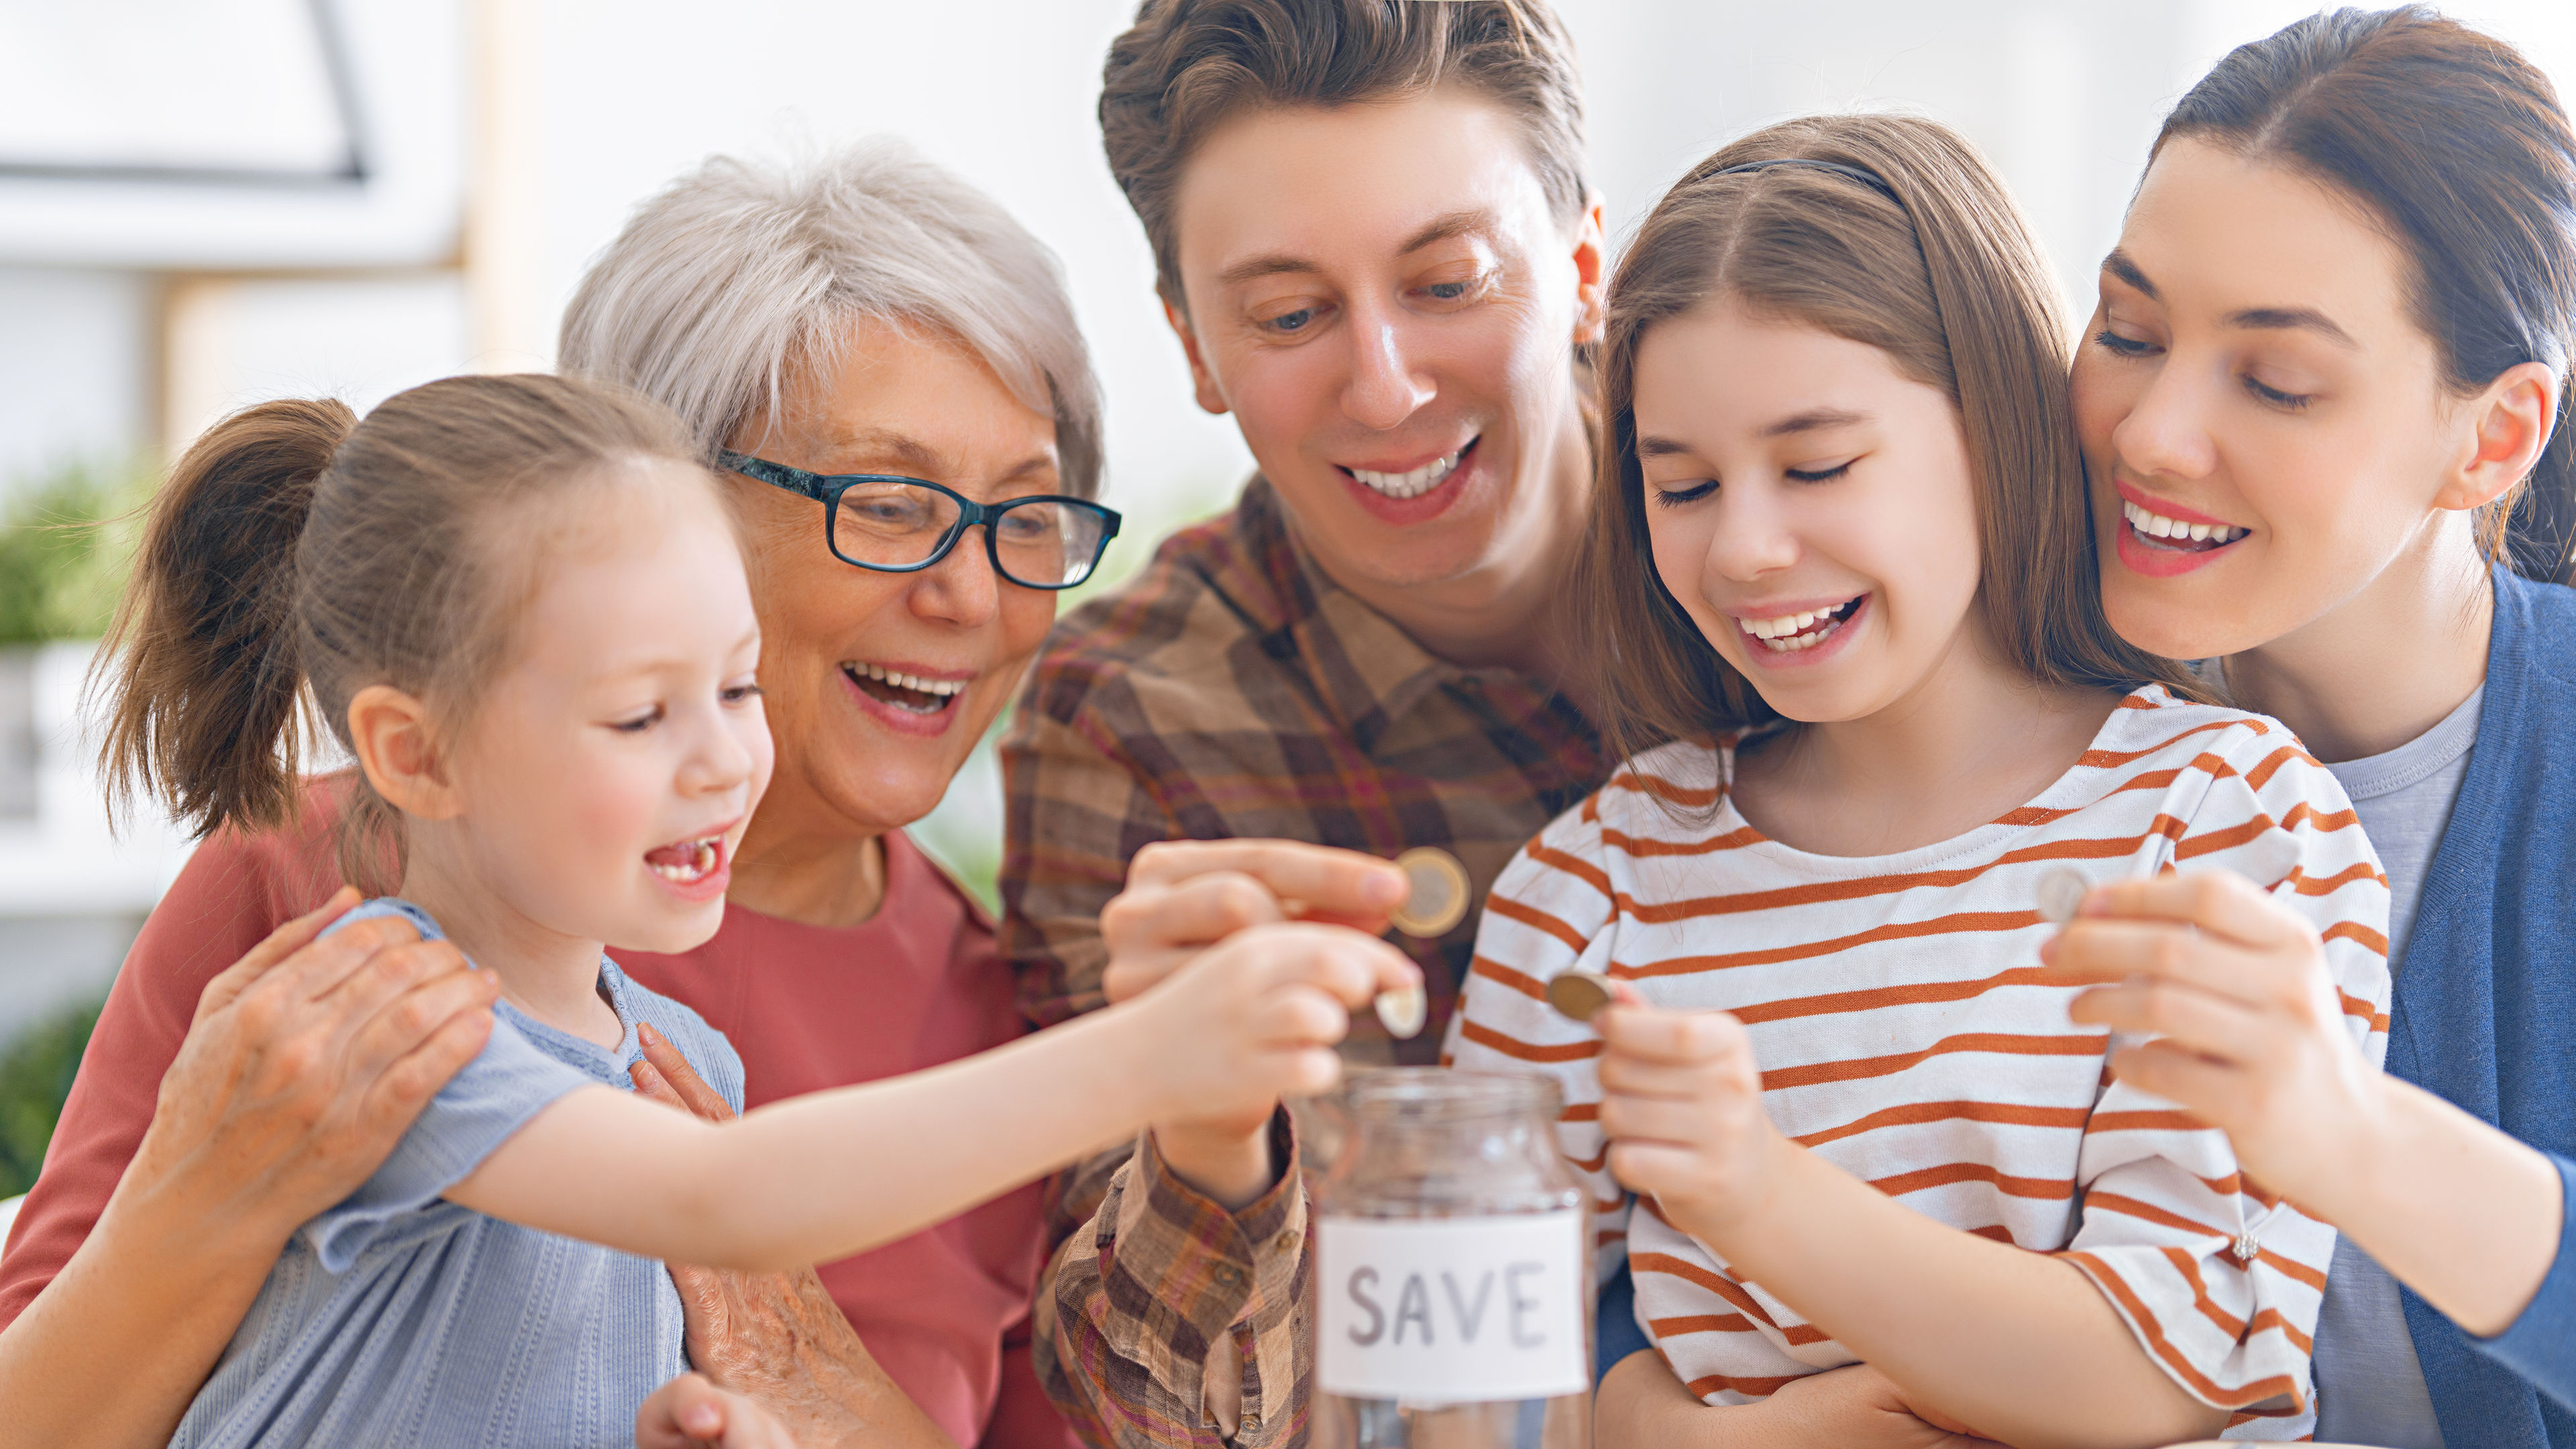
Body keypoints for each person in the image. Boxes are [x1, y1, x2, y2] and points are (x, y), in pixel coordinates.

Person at [0, 142, 1296, 1449]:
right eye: (891, 504)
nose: (969, 592)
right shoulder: (348, 906)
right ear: (647, 496)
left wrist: (815, 1410)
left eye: (1025, 515)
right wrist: (188, 1213)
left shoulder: (981, 1014)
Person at [1446, 113, 2390, 1446]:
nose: (1749, 550)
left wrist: (1757, 1193)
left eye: (1820, 464)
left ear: (1995, 425)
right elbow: (1461, 1388)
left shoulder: (2225, 828)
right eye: (1687, 485)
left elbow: (2173, 1372)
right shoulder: (1594, 891)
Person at [1002, 3, 1622, 1442]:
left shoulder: (1821, 536)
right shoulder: (1139, 724)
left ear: (1585, 266)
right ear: (1196, 349)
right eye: (1289, 316)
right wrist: (1200, 1132)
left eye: (1450, 282)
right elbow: (1145, 1417)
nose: (1387, 386)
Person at [2036, 8, 2576, 1446]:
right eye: (2129, 330)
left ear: (2496, 435)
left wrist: (2345, 1130)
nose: (2151, 432)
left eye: (2275, 380)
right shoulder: (1998, 711)